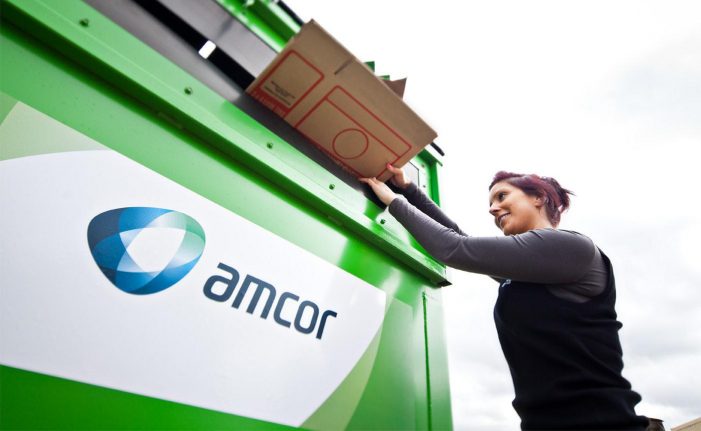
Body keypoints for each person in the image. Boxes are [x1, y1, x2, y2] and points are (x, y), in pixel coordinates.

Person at [361, 164, 650, 431]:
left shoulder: (572, 248)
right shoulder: (529, 274)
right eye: (491, 203)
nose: (492, 209)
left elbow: (455, 248)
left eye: (501, 196)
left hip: (601, 423)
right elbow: (458, 238)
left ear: (538, 198)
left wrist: (394, 200)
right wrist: (409, 189)